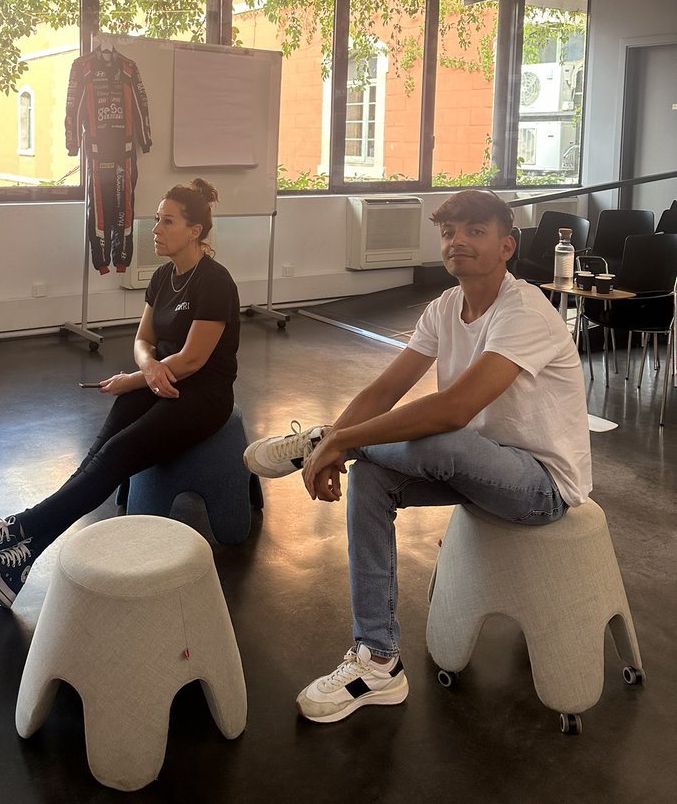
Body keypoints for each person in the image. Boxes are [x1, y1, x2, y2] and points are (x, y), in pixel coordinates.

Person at [244, 189, 591, 724]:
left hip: (539, 485)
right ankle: (378, 661)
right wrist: (342, 435)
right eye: (449, 232)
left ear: (507, 245)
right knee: (372, 479)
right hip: (472, 466)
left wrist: (336, 441)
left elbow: (454, 410)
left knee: (441, 432)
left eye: (475, 232)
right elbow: (384, 390)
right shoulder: (445, 308)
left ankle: (317, 441)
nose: (458, 242)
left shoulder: (526, 311)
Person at [0, 178, 240, 608]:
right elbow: (142, 341)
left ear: (195, 231)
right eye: (156, 219)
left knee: (117, 454)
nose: (155, 229)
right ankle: (19, 562)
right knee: (98, 455)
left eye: (167, 221)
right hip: (161, 380)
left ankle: (12, 533)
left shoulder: (215, 282)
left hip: (202, 396)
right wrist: (148, 368)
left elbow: (193, 361)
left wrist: (134, 378)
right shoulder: (162, 277)